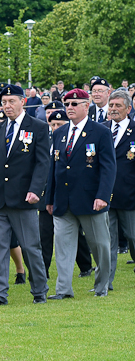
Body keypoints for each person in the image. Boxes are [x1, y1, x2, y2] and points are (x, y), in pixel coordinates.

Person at [0, 84, 50, 306]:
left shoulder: (38, 127)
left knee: (30, 247)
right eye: (4, 102)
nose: (7, 106)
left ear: (23, 102)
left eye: (12, 101)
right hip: (0, 199)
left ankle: (39, 290)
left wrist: (35, 190)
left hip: (24, 198)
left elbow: (42, 163)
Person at [46, 89, 115, 299]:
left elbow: (108, 167)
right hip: (63, 200)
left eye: (75, 104)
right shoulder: (59, 133)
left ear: (87, 106)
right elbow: (54, 168)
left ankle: (102, 285)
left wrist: (103, 196)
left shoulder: (100, 132)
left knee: (100, 246)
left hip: (90, 199)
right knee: (64, 248)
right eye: (67, 104)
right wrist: (49, 198)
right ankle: (63, 290)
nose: (69, 108)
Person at [104, 90, 135, 290]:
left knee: (133, 237)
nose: (113, 109)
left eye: (118, 106)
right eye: (111, 105)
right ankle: (106, 282)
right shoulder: (101, 129)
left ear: (129, 109)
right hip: (105, 195)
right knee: (107, 242)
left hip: (130, 195)